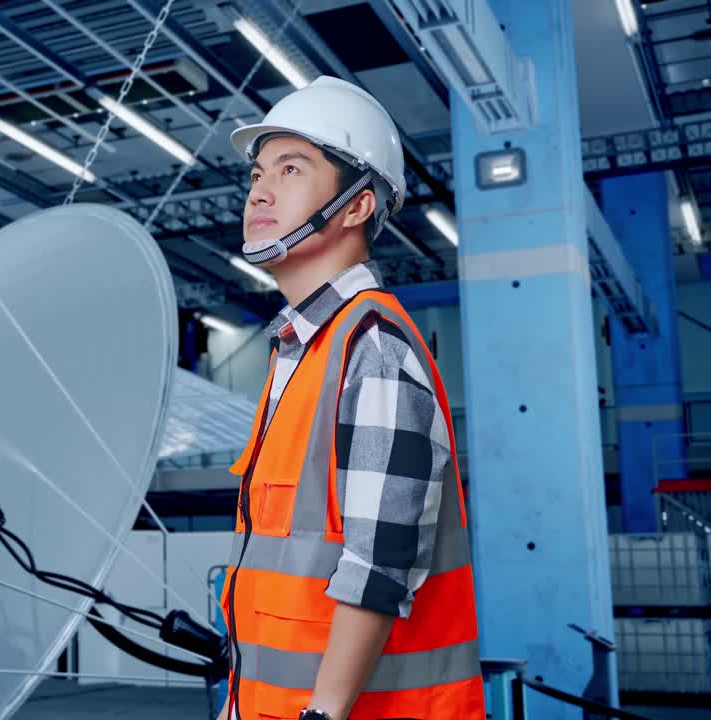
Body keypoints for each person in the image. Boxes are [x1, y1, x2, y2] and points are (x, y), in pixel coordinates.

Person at [214, 76, 485, 720]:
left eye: (291, 168)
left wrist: (323, 714)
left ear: (357, 206)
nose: (260, 190)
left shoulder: (374, 348)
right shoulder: (300, 349)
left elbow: (379, 564)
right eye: (257, 173)